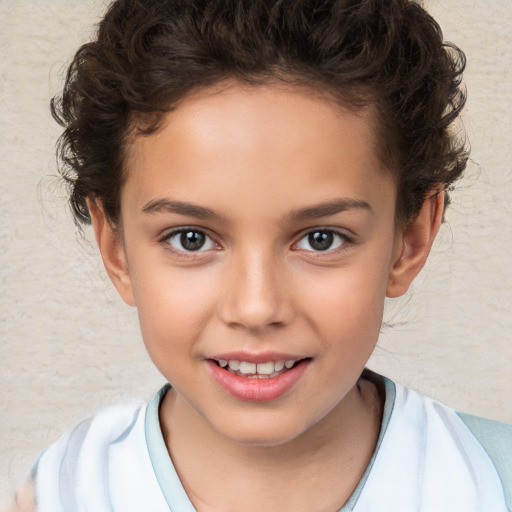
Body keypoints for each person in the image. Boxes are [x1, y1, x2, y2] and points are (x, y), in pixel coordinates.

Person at [6, 0, 511, 510]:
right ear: (116, 249)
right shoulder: (59, 493)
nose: (255, 308)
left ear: (410, 239)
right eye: (191, 239)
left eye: (321, 239)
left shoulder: (493, 481)